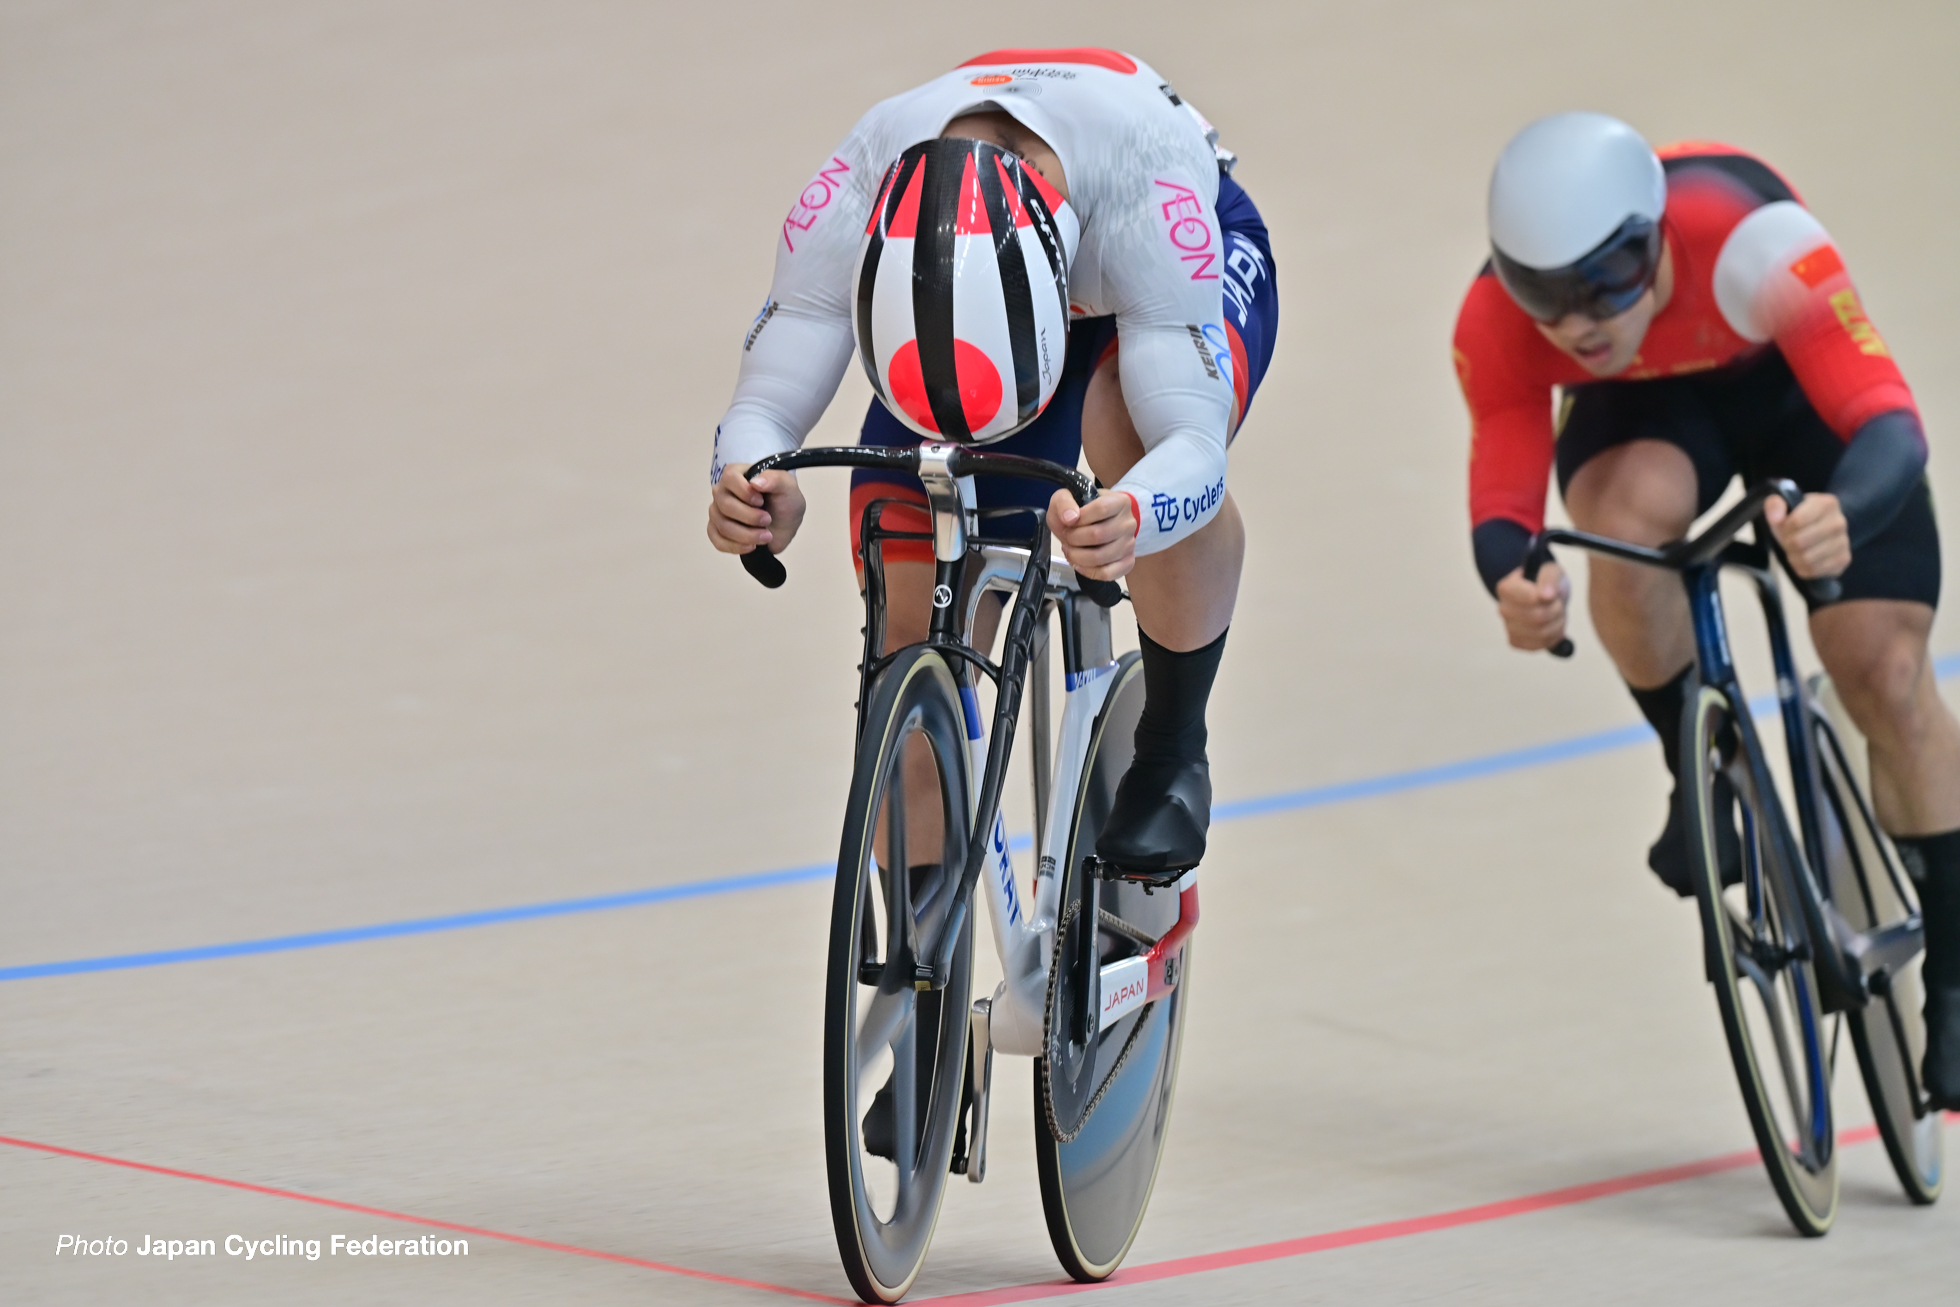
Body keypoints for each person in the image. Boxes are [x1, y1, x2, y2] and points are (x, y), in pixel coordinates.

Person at [1453, 111, 1960, 1108]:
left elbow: (1887, 422)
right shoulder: (1495, 320)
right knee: (1620, 534)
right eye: (1545, 296)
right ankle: (1696, 763)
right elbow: (1504, 500)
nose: (1582, 319)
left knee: (1883, 671)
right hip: (1649, 422)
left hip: (1794, 399)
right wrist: (1513, 582)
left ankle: (1952, 967)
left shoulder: (1755, 243)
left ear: (1653, 235)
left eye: (1608, 277)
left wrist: (1842, 511)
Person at [705, 48, 1278, 877]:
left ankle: (1172, 750)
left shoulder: (1145, 187)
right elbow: (762, 403)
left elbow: (1194, 445)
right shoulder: (861, 177)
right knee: (910, 625)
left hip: (1167, 279)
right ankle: (915, 964)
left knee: (1127, 424)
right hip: (969, 335)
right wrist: (756, 483)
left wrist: (1138, 511)